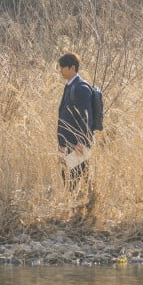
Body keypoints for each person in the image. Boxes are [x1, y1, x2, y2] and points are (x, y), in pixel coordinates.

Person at [56, 53, 97, 190]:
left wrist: (81, 142)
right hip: (68, 143)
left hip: (77, 144)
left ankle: (80, 207)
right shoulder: (70, 86)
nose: (60, 70)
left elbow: (86, 118)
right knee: (72, 177)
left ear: (72, 68)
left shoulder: (81, 88)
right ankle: (83, 206)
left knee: (72, 179)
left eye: (63, 67)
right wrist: (61, 143)